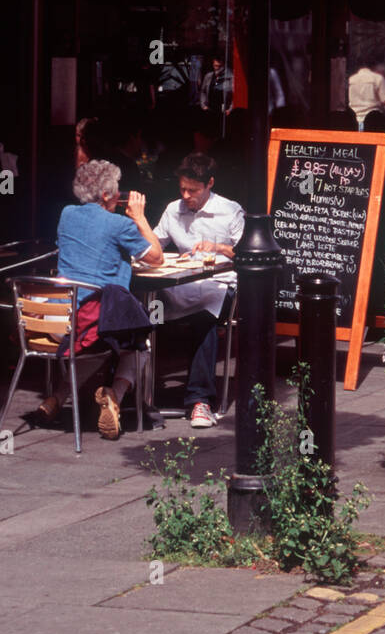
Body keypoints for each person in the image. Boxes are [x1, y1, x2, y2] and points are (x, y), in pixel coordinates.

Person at [53, 159, 163, 439]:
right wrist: (139, 217)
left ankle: (56, 397)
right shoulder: (119, 224)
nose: (119, 195)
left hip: (56, 320)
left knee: (95, 348)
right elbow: (156, 258)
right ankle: (115, 395)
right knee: (139, 346)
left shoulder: (66, 214)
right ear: (105, 195)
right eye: (116, 190)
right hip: (88, 323)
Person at [153, 153, 244, 427]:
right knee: (141, 308)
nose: (186, 195)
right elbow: (155, 242)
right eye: (182, 188)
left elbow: (245, 255)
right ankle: (136, 389)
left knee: (204, 316)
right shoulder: (173, 209)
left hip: (219, 283)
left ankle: (199, 400)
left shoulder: (230, 211)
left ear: (209, 184)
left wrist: (217, 247)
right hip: (180, 283)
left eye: (193, 190)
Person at [348, 56, 385, 129]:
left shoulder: (352, 79)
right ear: (373, 66)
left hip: (354, 118)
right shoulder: (377, 78)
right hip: (372, 120)